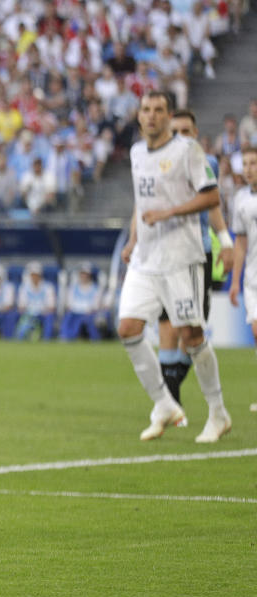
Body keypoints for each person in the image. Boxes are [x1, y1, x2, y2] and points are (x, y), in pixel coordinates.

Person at [118, 91, 231, 443]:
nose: (151, 116)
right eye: (146, 110)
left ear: (168, 116)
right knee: (128, 328)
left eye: (159, 110)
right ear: (139, 116)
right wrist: (134, 239)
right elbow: (142, 201)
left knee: (192, 336)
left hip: (181, 258)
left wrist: (168, 213)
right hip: (145, 259)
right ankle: (164, 403)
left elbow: (211, 196)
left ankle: (218, 413)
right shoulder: (137, 153)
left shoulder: (187, 151)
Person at [153, 110, 234, 412]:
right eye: (177, 132)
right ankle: (170, 403)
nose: (182, 137)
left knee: (194, 329)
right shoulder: (155, 164)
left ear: (197, 134)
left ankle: (172, 391)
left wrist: (225, 241)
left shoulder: (206, 163)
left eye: (187, 131)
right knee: (166, 324)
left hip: (199, 252)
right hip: (164, 253)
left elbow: (214, 206)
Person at [228, 147, 257, 413]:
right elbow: (240, 242)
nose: (248, 168)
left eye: (253, 163)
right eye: (245, 163)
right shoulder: (240, 200)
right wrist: (235, 281)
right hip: (252, 279)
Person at [59, 263, 103, 341]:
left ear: (89, 276)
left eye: (86, 274)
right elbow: (69, 303)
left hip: (88, 313)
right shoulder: (73, 287)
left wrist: (90, 310)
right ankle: (66, 336)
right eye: (82, 274)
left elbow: (96, 305)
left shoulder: (95, 289)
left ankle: (95, 338)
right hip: (75, 312)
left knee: (89, 320)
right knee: (68, 317)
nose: (84, 276)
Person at [14, 261, 56, 341]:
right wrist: (29, 312)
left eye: (37, 275)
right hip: (29, 314)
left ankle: (47, 339)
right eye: (33, 275)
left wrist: (43, 311)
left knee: (49, 316)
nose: (35, 277)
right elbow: (21, 306)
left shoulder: (48, 287)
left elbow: (51, 307)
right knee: (22, 324)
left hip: (43, 314)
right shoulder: (24, 287)